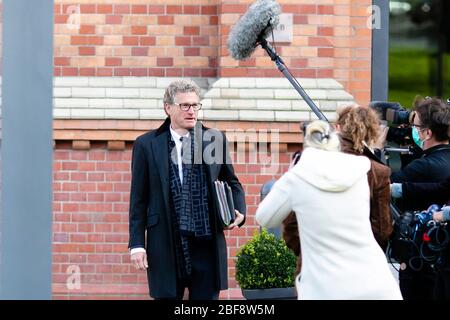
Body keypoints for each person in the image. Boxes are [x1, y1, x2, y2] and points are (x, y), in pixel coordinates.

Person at [255, 120, 402, 300]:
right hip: (376, 282)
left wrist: (290, 173)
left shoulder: (297, 177)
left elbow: (264, 218)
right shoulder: (358, 172)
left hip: (325, 287)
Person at [128, 79, 246, 300]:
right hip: (165, 242)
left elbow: (232, 182)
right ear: (168, 108)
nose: (192, 111)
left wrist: (238, 211)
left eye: (195, 105)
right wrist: (136, 244)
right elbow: (138, 199)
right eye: (185, 106)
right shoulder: (146, 144)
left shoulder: (214, 139)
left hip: (206, 243)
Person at [389, 97, 450, 300]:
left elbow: (382, 185)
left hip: (420, 262)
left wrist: (376, 148)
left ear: (427, 132)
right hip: (439, 259)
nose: (411, 130)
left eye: (415, 126)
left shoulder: (423, 166)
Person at [336, 105, 393, 250]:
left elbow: (293, 222)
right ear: (373, 133)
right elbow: (382, 230)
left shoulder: (316, 159)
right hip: (358, 255)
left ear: (338, 128)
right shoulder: (377, 172)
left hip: (319, 256)